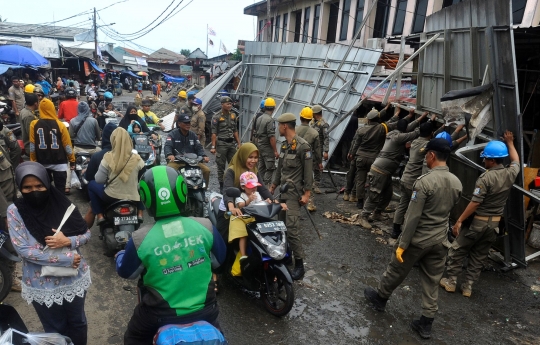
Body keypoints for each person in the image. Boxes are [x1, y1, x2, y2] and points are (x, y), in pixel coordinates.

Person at [364, 138, 462, 340]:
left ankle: (380, 299)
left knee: (396, 270)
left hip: (419, 239)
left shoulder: (424, 182)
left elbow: (413, 217)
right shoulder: (456, 182)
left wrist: (402, 244)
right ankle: (426, 322)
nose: (425, 157)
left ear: (432, 156)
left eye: (427, 154)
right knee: (432, 281)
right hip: (440, 240)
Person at [116, 167, 226, 344]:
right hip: (206, 310)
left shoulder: (140, 239)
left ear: (146, 198)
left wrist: (120, 255)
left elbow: (126, 272)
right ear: (182, 192)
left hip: (158, 315)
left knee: (133, 338)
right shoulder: (206, 226)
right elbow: (220, 262)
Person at [8, 162, 91, 345]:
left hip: (73, 279)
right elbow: (23, 250)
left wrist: (68, 241)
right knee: (55, 329)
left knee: (78, 323)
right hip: (41, 284)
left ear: (47, 183)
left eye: (39, 186)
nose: (34, 191)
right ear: (20, 187)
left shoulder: (63, 205)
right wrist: (66, 258)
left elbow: (86, 234)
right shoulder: (15, 211)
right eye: (27, 187)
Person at [440, 130, 519, 297]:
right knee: (479, 255)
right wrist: (510, 143)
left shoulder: (485, 179)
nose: (483, 161)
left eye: (485, 158)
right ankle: (468, 286)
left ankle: (451, 281)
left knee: (457, 249)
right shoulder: (510, 174)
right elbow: (516, 160)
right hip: (494, 225)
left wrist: (460, 220)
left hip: (477, 223)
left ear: (491, 160)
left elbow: (475, 203)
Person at [358, 109, 428, 229]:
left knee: (387, 194)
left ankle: (377, 213)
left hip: (385, 171)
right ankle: (363, 216)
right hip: (380, 171)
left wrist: (418, 117)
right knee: (374, 194)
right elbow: (416, 133)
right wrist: (429, 121)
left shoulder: (393, 133)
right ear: (404, 130)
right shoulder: (398, 137)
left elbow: (408, 126)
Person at [269, 113, 313, 280]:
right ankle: (286, 255)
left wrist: (307, 193)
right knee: (280, 225)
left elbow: (309, 172)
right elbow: (280, 167)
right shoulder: (285, 146)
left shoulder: (303, 146)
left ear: (285, 126)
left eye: (279, 125)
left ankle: (299, 264)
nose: (278, 128)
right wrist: (273, 185)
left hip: (294, 195)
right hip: (283, 192)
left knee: (292, 229)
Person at [391, 117, 438, 239]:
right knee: (414, 209)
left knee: (402, 205)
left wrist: (429, 122)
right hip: (413, 182)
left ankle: (395, 230)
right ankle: (408, 233)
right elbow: (441, 143)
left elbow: (424, 132)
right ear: (431, 133)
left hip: (404, 177)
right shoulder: (427, 145)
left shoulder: (415, 142)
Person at [87, 127, 145, 224]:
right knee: (140, 189)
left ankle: (100, 215)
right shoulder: (138, 159)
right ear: (129, 140)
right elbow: (143, 180)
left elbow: (99, 180)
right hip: (133, 198)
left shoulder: (107, 158)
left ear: (112, 140)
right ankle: (140, 212)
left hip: (111, 196)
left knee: (91, 184)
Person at [347, 104, 393, 205]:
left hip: (361, 158)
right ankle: (371, 202)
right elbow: (392, 123)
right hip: (374, 159)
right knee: (373, 181)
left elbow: (356, 145)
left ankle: (359, 202)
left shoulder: (361, 130)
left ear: (368, 119)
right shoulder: (382, 128)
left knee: (360, 180)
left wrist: (352, 154)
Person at [29, 98, 75, 193]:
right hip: (60, 163)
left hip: (42, 162)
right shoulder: (60, 125)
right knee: (60, 190)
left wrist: (33, 161)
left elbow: (32, 146)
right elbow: (67, 145)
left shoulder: (34, 124)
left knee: (45, 189)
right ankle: (60, 206)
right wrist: (72, 160)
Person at [83, 122, 117, 227]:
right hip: (127, 192)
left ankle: (99, 215)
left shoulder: (98, 156)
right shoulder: (129, 155)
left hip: (108, 192)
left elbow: (89, 177)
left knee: (92, 184)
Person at [165, 114, 210, 187]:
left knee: (206, 170)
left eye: (189, 123)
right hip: (178, 161)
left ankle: (203, 189)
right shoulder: (172, 134)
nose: (188, 125)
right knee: (170, 170)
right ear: (179, 124)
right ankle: (172, 190)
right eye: (185, 123)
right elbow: (168, 145)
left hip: (193, 161)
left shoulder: (193, 135)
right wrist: (169, 154)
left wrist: (204, 156)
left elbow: (199, 147)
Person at [66, 102, 102, 194]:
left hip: (78, 149)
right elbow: (98, 137)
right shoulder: (93, 121)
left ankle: (67, 186)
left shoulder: (73, 121)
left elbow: (70, 135)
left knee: (70, 164)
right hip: (92, 149)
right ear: (88, 109)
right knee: (103, 157)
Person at [211, 97, 241, 193]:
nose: (229, 105)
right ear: (222, 104)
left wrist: (239, 143)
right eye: (227, 104)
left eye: (230, 104)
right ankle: (221, 186)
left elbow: (235, 130)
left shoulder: (233, 115)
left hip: (231, 143)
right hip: (222, 144)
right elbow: (214, 133)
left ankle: (232, 183)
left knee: (234, 164)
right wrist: (213, 147)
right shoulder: (216, 116)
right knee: (221, 165)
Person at [296, 107, 321, 212]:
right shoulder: (314, 133)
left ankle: (294, 200)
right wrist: (319, 162)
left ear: (300, 117)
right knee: (309, 180)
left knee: (295, 179)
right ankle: (310, 203)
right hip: (308, 159)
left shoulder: (294, 129)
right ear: (311, 119)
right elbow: (317, 150)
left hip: (295, 158)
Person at [254, 98, 278, 187]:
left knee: (261, 166)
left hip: (259, 144)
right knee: (270, 167)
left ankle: (257, 184)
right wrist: (275, 150)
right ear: (274, 108)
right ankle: (265, 186)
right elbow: (271, 137)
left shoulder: (259, 117)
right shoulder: (270, 120)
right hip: (266, 146)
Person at [309, 105, 329, 194]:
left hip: (318, 149)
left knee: (317, 167)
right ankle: (308, 184)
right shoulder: (312, 122)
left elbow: (326, 138)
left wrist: (326, 151)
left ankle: (316, 185)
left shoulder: (324, 124)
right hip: (309, 148)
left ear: (317, 114)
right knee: (308, 166)